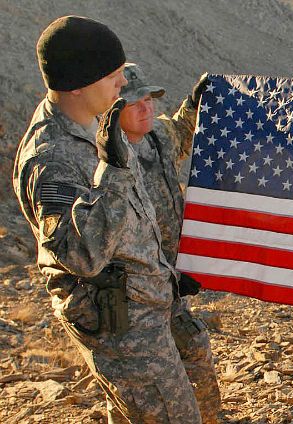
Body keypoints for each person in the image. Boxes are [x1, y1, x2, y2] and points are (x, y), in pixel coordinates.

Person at [13, 16, 201, 422]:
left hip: (146, 309)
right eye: (112, 74)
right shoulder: (51, 158)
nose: (122, 81)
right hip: (123, 328)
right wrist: (113, 172)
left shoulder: (98, 121)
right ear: (77, 83)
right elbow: (79, 256)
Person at [118, 63, 221, 423]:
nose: (146, 108)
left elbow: (181, 131)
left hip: (170, 283)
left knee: (194, 349)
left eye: (148, 99)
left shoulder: (158, 135)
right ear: (111, 111)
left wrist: (195, 102)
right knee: (138, 385)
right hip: (135, 293)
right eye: (135, 103)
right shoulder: (104, 157)